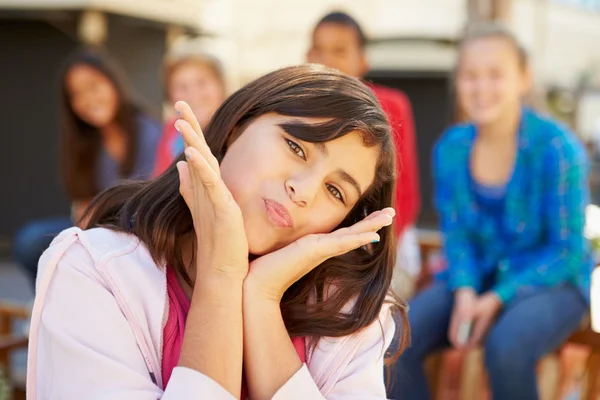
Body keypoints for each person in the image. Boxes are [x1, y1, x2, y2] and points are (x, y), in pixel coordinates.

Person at [27, 65, 410, 399]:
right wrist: (222, 276)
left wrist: (261, 297)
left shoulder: (350, 316)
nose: (304, 190)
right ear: (236, 128)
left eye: (334, 190)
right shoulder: (93, 271)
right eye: (296, 146)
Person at [390, 23, 592, 399]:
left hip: (552, 282)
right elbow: (458, 236)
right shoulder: (451, 147)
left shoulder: (558, 148)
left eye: (495, 75)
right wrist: (466, 291)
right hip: (476, 277)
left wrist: (498, 297)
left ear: (523, 78)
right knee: (394, 342)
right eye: (470, 76)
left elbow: (566, 251)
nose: (481, 88)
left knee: (507, 347)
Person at [12, 48, 161, 288]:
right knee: (30, 241)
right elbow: (81, 205)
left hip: (134, 235)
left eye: (94, 86)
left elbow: (149, 202)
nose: (88, 99)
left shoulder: (149, 131)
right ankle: (48, 310)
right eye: (77, 94)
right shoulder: (84, 143)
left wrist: (98, 211)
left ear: (113, 82)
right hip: (93, 232)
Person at [307, 11, 422, 282]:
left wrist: (370, 248)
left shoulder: (391, 106)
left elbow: (404, 194)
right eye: (318, 49)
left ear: (361, 61)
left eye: (339, 51)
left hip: (382, 246)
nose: (326, 60)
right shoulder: (299, 108)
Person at [153, 49, 226, 176]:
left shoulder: (237, 131)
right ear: (170, 97)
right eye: (182, 87)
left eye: (202, 83)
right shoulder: (171, 132)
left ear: (221, 86)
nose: (193, 95)